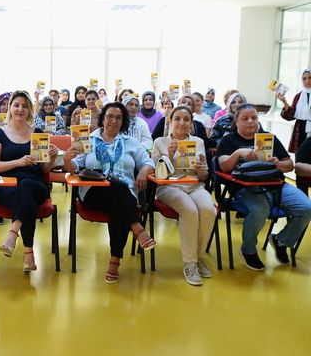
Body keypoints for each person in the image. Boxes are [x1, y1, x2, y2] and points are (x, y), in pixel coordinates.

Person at [63, 102, 156, 284]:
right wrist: (67, 159)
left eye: (118, 118)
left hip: (123, 196)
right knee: (118, 189)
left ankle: (115, 260)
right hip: (93, 194)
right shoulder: (88, 139)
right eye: (109, 116)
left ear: (123, 122)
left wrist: (143, 172)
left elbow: (147, 162)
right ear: (102, 118)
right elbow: (74, 168)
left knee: (118, 199)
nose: (113, 121)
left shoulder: (131, 143)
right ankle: (137, 228)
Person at [216, 104, 311, 271]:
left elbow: (289, 165)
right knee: (261, 210)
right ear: (236, 122)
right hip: (245, 189)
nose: (251, 121)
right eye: (245, 118)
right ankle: (248, 250)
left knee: (306, 207)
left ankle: (281, 241)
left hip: (276, 185)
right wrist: (238, 153)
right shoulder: (229, 140)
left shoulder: (268, 138)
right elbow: (224, 166)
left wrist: (278, 164)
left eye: (254, 117)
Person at [0, 90, 59, 272]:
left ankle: (14, 231)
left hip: (36, 186)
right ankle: (29, 253)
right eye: (16, 105)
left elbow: (44, 170)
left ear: (29, 110)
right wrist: (18, 162)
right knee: (25, 199)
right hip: (8, 187)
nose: (20, 109)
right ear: (10, 107)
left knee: (26, 186)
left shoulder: (39, 133)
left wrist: (51, 159)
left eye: (25, 106)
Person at [151, 106, 216, 286]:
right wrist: (169, 155)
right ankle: (189, 263)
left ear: (191, 123)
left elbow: (204, 175)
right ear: (170, 121)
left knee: (208, 210)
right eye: (177, 119)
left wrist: (202, 171)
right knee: (189, 210)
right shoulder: (159, 142)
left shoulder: (198, 141)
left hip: (194, 185)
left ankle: (199, 256)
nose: (182, 123)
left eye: (186, 119)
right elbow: (157, 174)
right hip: (168, 187)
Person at [279, 69, 311, 153]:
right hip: (300, 129)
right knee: (301, 155)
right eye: (304, 78)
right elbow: (290, 115)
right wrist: (284, 101)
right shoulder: (299, 96)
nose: (307, 81)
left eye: (310, 77)